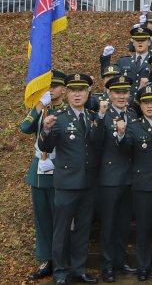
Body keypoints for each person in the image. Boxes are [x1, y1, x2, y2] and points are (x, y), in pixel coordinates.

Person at [38, 73, 107, 285]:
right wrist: (46, 130)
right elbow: (46, 147)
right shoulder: (59, 117)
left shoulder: (93, 117)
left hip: (88, 183)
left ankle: (79, 269)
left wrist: (102, 118)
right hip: (67, 183)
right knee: (62, 230)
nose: (77, 94)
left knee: (83, 229)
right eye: (73, 90)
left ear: (88, 93)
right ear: (67, 93)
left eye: (82, 90)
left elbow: (97, 143)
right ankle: (60, 272)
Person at [120, 85, 152, 280]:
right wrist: (120, 135)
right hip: (142, 185)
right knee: (143, 228)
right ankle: (143, 266)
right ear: (140, 106)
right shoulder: (133, 126)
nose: (150, 106)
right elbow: (126, 149)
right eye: (145, 103)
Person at [20, 70, 67, 281]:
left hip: (61, 169)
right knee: (43, 219)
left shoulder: (67, 110)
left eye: (55, 86)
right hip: (40, 170)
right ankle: (47, 259)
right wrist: (39, 104)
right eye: (49, 86)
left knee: (61, 219)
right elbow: (25, 127)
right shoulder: (42, 108)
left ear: (64, 90)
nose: (51, 89)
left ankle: (62, 259)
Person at [97, 76, 138, 282]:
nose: (121, 96)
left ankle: (120, 261)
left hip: (129, 176)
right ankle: (107, 265)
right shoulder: (103, 115)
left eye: (125, 92)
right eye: (117, 92)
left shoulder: (132, 113)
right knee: (109, 224)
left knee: (123, 224)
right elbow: (95, 141)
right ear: (109, 94)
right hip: (110, 177)